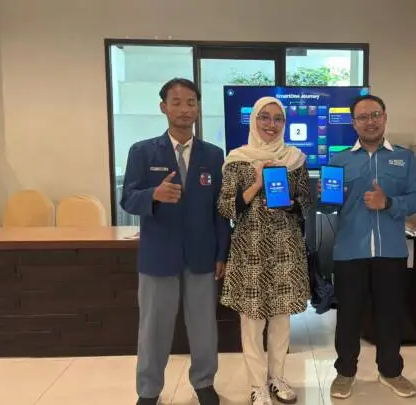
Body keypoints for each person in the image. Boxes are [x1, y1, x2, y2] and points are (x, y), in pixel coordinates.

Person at [120, 78, 229, 405]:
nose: (185, 109)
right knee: (153, 328)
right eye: (177, 102)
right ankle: (148, 390)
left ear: (198, 108)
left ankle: (204, 382)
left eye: (191, 102)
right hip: (159, 255)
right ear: (163, 107)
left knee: (204, 326)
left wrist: (222, 252)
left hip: (201, 254)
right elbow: (128, 199)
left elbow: (220, 209)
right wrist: (153, 195)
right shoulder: (142, 151)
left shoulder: (213, 155)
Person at [324, 94, 416, 400]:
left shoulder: (404, 158)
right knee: (348, 317)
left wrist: (389, 203)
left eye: (375, 115)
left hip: (391, 252)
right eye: (363, 117)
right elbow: (328, 209)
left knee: (390, 315)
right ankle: (345, 372)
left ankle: (391, 371)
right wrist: (327, 197)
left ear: (384, 117)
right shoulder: (339, 160)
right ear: (353, 123)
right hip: (349, 251)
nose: (370, 122)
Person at [218, 96, 312, 405]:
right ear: (254, 120)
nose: (271, 124)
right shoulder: (237, 159)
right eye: (265, 117)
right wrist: (257, 184)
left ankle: (277, 378)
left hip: (286, 246)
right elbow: (225, 207)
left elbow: (307, 201)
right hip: (251, 250)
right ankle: (257, 385)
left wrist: (291, 203)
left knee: (281, 319)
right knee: (252, 322)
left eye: (278, 118)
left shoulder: (295, 158)